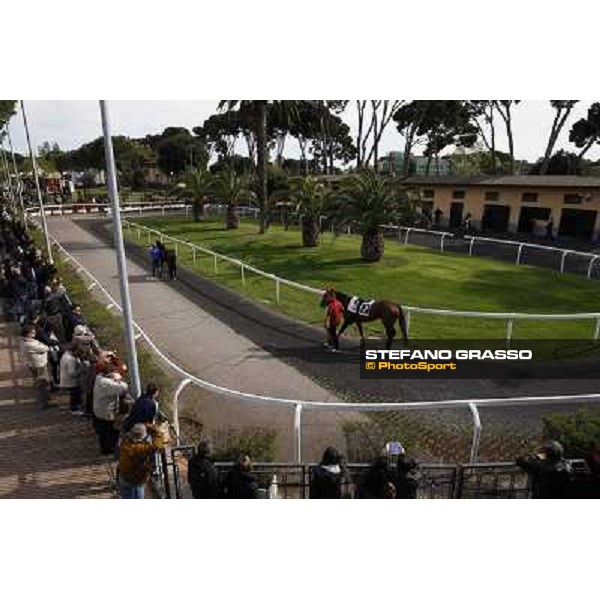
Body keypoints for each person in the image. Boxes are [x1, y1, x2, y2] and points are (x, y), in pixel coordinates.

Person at [92, 366, 128, 455]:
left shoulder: (99, 378)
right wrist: (119, 379)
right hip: (106, 412)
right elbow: (123, 387)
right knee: (111, 432)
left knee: (103, 433)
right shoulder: (106, 383)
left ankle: (105, 449)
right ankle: (110, 450)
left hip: (99, 410)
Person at [118, 423, 157, 499]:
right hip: (137, 479)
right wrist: (155, 431)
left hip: (124, 476)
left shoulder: (124, 441)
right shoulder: (140, 449)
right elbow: (157, 446)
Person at [21, 323, 50, 409]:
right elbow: (45, 348)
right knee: (42, 383)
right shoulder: (30, 344)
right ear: (27, 334)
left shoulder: (25, 341)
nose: (35, 334)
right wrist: (44, 347)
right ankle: (43, 403)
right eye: (32, 333)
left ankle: (44, 399)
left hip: (34, 364)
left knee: (40, 382)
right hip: (39, 365)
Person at [59, 343, 83, 415]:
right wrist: (81, 369)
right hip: (71, 381)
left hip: (65, 379)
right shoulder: (71, 359)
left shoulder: (64, 356)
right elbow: (72, 373)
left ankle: (76, 406)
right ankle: (74, 410)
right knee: (74, 395)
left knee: (75, 394)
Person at [323, 287, 344, 353]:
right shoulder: (339, 303)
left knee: (332, 334)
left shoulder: (331, 305)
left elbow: (328, 315)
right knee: (331, 332)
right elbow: (342, 310)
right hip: (338, 320)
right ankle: (330, 343)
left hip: (333, 321)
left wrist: (326, 322)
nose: (326, 298)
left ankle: (336, 348)